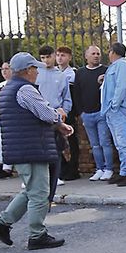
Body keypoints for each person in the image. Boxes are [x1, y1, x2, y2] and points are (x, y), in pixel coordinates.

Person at [0, 52, 70, 250]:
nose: (37, 73)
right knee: (40, 193)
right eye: (34, 69)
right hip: (32, 147)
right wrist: (59, 119)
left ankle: (2, 223)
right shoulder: (25, 89)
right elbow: (45, 113)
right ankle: (37, 234)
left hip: (22, 147)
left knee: (31, 190)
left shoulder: (9, 89)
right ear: (27, 71)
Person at [35, 45, 72, 201]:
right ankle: (38, 178)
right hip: (38, 114)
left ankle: (55, 175)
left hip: (55, 114)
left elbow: (66, 97)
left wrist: (65, 110)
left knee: (56, 147)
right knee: (38, 147)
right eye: (42, 58)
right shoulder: (36, 74)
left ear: (53, 56)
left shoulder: (61, 75)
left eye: (48, 57)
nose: (45, 61)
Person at [101, 41, 126, 186]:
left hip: (119, 110)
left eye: (110, 51)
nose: (108, 54)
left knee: (123, 142)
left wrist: (114, 105)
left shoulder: (122, 66)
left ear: (114, 52)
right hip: (113, 111)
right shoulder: (114, 67)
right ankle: (124, 171)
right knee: (119, 143)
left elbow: (121, 86)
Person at [76, 45, 112, 180]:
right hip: (87, 114)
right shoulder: (80, 73)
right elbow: (77, 93)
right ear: (86, 56)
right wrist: (81, 112)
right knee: (95, 144)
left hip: (101, 112)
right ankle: (99, 169)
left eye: (98, 53)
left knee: (105, 142)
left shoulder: (106, 70)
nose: (96, 56)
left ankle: (108, 169)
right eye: (93, 53)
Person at [55, 46, 83, 180]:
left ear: (69, 58)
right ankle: (63, 167)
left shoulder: (72, 74)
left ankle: (73, 168)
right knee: (55, 140)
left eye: (63, 55)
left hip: (69, 111)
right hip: (56, 110)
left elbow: (74, 95)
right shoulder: (54, 73)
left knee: (72, 140)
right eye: (58, 55)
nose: (60, 58)